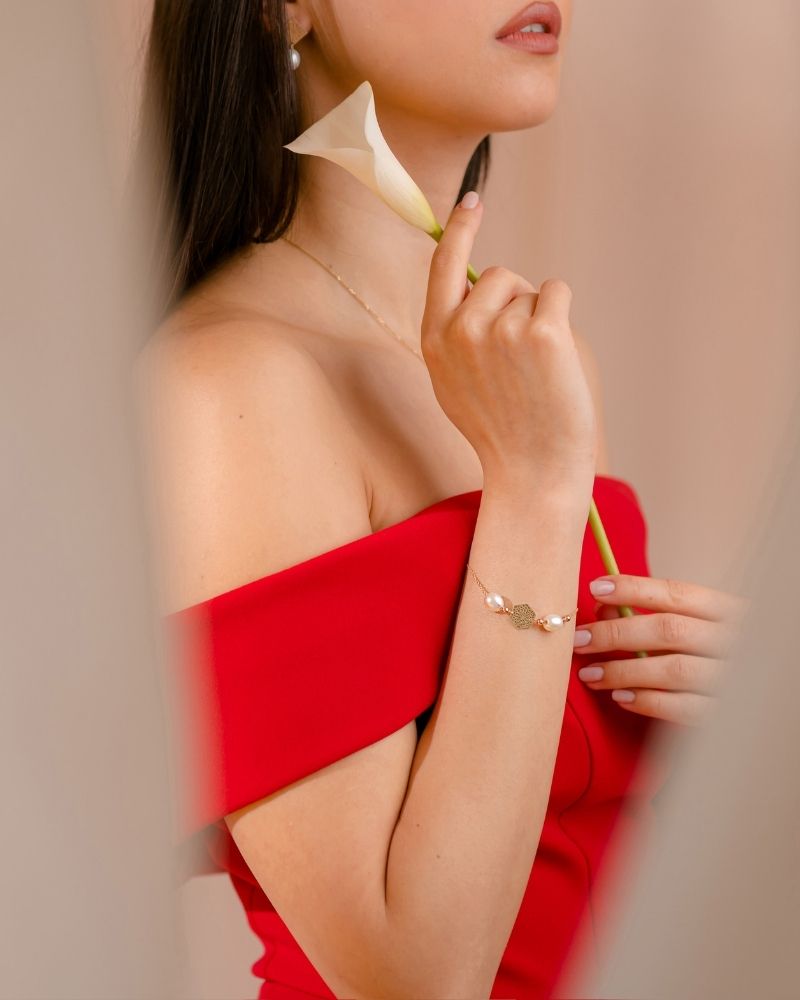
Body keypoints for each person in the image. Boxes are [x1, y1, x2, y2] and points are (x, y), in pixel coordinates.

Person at [133, 1, 748, 997]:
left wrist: (743, 735)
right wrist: (534, 491)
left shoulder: (528, 373)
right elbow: (409, 979)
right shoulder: (230, 389)